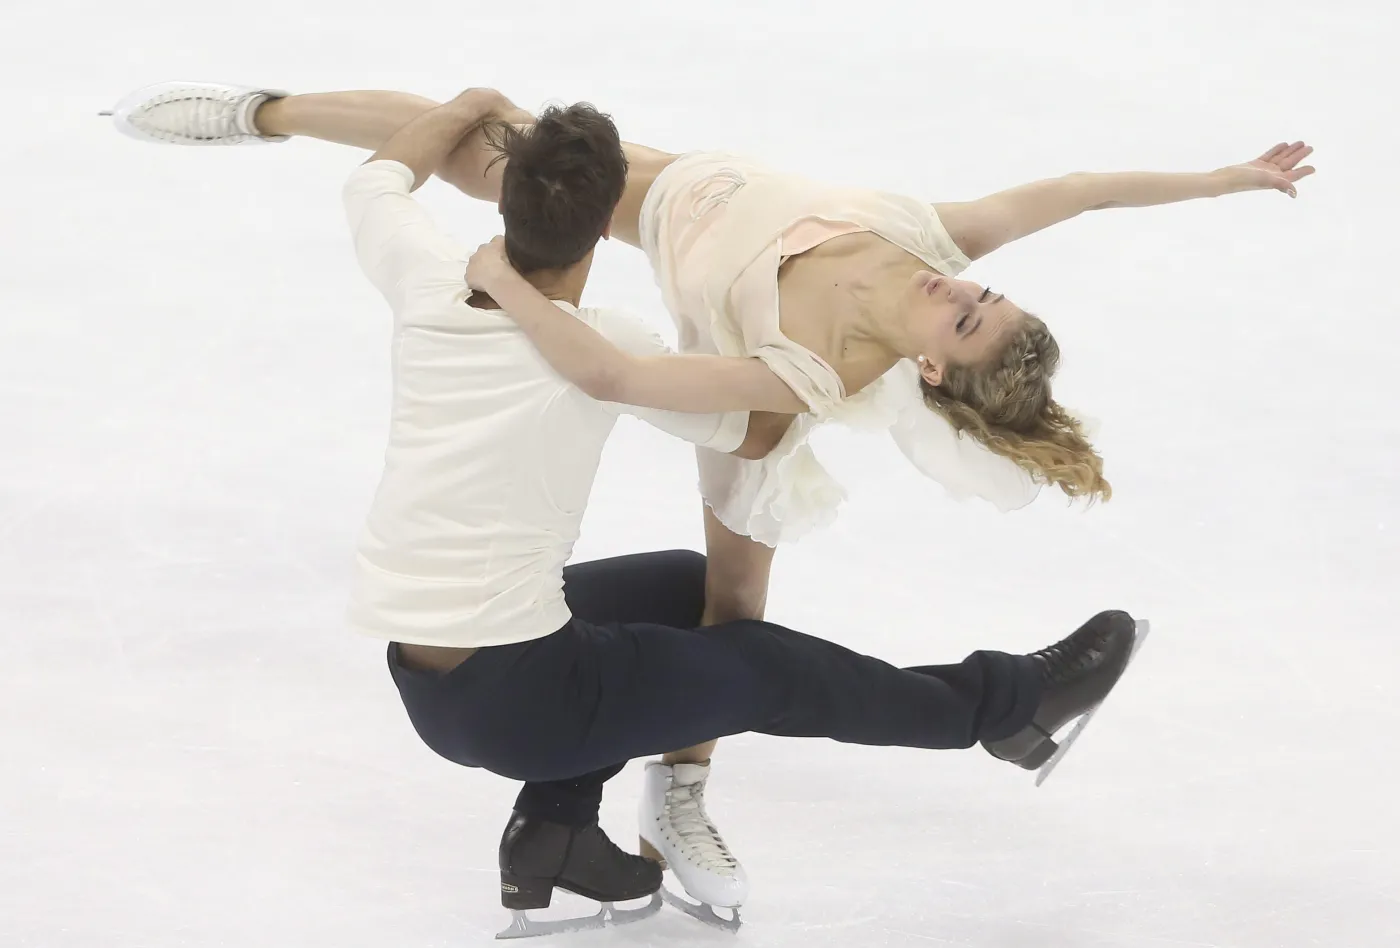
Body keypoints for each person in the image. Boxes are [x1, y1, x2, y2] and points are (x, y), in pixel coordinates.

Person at [99, 77, 1231, 914]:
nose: (960, 286)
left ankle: (555, 831)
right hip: (496, 689)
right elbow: (633, 381)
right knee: (758, 664)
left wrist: (457, 136)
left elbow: (395, 170)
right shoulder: (610, 334)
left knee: (693, 589)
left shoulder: (425, 273)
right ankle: (999, 711)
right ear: (600, 228)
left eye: (968, 311)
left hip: (435, 662)